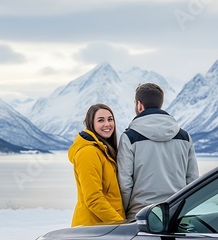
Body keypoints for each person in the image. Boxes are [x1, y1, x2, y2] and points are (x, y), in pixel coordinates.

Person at [117, 83, 199, 220]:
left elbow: (125, 184)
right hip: (176, 214)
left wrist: (125, 212)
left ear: (139, 105)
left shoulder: (129, 137)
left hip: (140, 215)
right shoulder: (185, 137)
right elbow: (192, 179)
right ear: (160, 104)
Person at [68, 103, 126, 227]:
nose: (107, 124)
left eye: (110, 119)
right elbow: (93, 198)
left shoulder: (104, 151)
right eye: (101, 120)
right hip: (93, 229)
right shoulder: (88, 153)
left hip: (105, 227)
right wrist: (120, 224)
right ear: (91, 124)